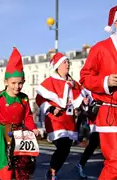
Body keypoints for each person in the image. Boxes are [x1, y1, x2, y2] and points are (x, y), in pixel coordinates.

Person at [0, 47, 39, 180]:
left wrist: (33, 128)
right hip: (2, 136)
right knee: (6, 166)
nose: (17, 86)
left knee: (21, 166)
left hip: (20, 135)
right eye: (13, 83)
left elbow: (27, 116)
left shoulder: (24, 99)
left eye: (20, 83)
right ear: (6, 82)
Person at [36, 52, 89, 180]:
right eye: (65, 62)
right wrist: (51, 108)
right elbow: (39, 99)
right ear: (58, 66)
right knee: (62, 146)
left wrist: (84, 102)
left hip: (69, 120)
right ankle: (52, 173)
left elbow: (80, 98)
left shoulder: (73, 83)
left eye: (68, 62)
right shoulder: (50, 81)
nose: (68, 64)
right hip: (55, 119)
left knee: (66, 149)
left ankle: (52, 171)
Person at [80, 5, 117, 180]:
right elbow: (85, 77)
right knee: (115, 163)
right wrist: (105, 82)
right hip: (110, 112)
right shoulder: (100, 48)